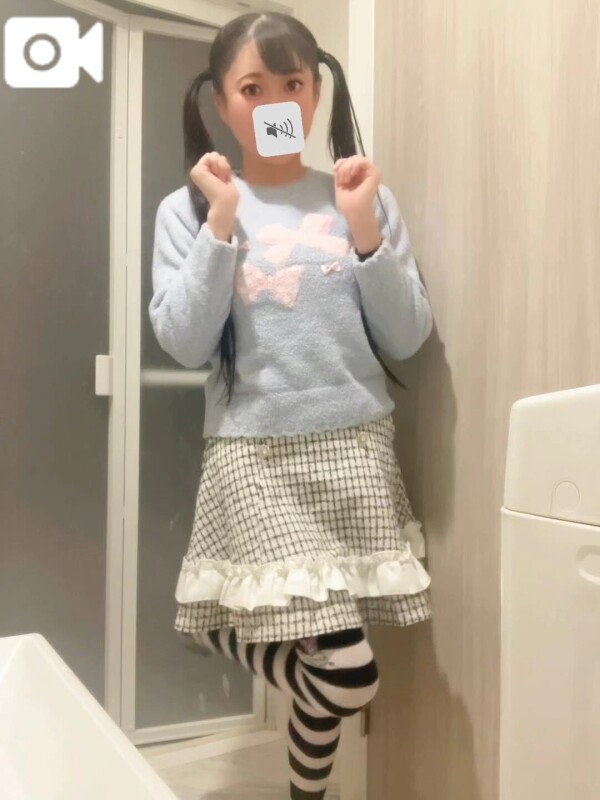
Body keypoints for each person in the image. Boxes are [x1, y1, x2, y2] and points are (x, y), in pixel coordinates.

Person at [148, 10, 433, 800]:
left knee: (331, 659)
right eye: (252, 88)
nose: (275, 101)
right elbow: (184, 342)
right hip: (256, 453)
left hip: (355, 446)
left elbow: (407, 336)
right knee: (348, 673)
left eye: (292, 84)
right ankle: (218, 623)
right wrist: (222, 221)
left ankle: (306, 794)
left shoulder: (360, 197)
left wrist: (363, 227)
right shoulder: (187, 210)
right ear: (221, 102)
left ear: (315, 93)